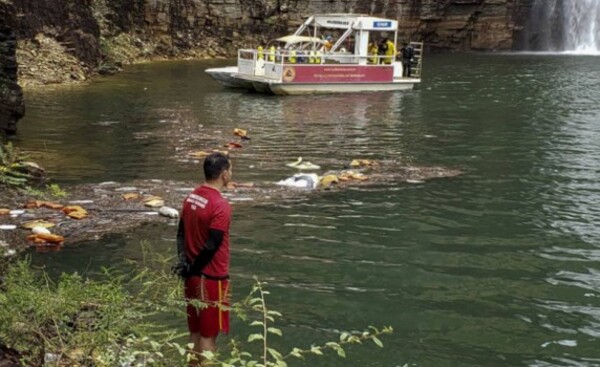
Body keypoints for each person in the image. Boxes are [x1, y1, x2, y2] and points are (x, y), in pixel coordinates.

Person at [173, 152, 233, 365]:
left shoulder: (191, 197)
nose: (231, 174)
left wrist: (185, 263)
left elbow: (180, 233)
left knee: (195, 331)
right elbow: (212, 245)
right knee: (208, 335)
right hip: (211, 279)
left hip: (192, 276)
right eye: (230, 170)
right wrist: (194, 268)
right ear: (224, 174)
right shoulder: (220, 205)